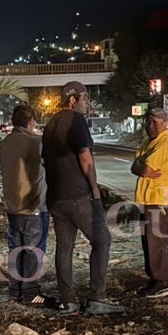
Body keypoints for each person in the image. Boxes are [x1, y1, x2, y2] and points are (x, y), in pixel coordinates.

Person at [41, 81, 123, 316]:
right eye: (85, 98)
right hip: (78, 196)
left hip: (56, 197)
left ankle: (68, 301)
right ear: (73, 100)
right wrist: (95, 190)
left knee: (64, 248)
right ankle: (97, 297)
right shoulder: (75, 120)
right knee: (102, 240)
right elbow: (85, 157)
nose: (88, 103)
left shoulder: (50, 124)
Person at [0, 104, 48, 305]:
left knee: (15, 250)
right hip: (33, 205)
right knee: (32, 251)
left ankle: (14, 291)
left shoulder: (5, 143)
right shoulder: (36, 142)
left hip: (12, 205)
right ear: (31, 122)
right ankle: (30, 293)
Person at [133, 105, 168, 298]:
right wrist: (141, 166)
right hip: (148, 198)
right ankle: (154, 279)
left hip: (158, 200)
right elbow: (135, 166)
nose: (150, 125)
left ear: (165, 124)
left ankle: (164, 281)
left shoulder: (163, 144)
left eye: (155, 122)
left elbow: (142, 169)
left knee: (158, 242)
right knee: (149, 242)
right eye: (148, 121)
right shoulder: (149, 143)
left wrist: (141, 166)